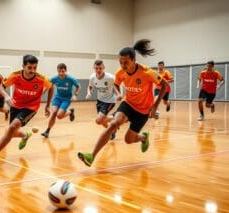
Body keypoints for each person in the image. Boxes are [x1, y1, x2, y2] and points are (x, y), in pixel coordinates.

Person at [77, 39, 168, 167]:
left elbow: (165, 85)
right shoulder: (120, 73)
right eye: (120, 62)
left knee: (128, 140)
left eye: (126, 62)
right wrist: (119, 93)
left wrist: (155, 105)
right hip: (129, 104)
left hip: (143, 110)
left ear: (134, 60)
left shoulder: (147, 72)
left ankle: (143, 137)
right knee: (114, 123)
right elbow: (116, 83)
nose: (123, 65)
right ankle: (91, 155)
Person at [0, 55, 54, 166]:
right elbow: (1, 87)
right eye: (29, 67)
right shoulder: (15, 76)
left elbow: (51, 87)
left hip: (31, 107)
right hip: (15, 105)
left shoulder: (41, 78)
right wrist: (6, 96)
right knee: (11, 133)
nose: (32, 70)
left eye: (35, 68)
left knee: (12, 127)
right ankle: (26, 135)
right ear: (23, 66)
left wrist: (48, 105)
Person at [41, 63, 80, 138]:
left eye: (63, 71)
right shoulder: (54, 78)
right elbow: (48, 85)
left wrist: (75, 95)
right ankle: (47, 131)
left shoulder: (71, 79)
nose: (61, 73)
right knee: (54, 113)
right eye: (59, 71)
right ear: (57, 71)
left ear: (66, 71)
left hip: (66, 99)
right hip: (57, 97)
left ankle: (70, 112)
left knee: (59, 116)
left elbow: (78, 87)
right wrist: (43, 92)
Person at [86, 60, 122, 140]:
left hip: (109, 101)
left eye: (100, 68)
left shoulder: (110, 77)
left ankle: (115, 119)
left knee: (99, 120)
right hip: (100, 101)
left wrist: (119, 94)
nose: (98, 70)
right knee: (100, 121)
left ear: (103, 68)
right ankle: (112, 130)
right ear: (94, 68)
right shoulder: (92, 77)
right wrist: (89, 93)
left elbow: (116, 85)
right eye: (96, 68)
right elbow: (90, 86)